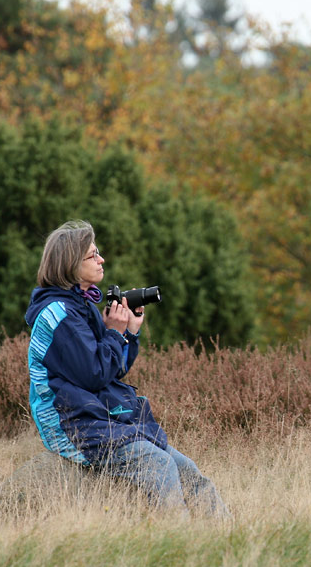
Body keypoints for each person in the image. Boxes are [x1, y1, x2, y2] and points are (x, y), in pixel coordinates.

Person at [25, 219, 228, 517]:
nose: (101, 259)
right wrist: (114, 333)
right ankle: (180, 541)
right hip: (72, 423)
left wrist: (129, 333)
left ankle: (225, 535)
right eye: (92, 255)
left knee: (187, 469)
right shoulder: (57, 314)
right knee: (159, 464)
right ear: (70, 263)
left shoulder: (81, 306)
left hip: (99, 416)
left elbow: (112, 371)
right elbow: (93, 374)